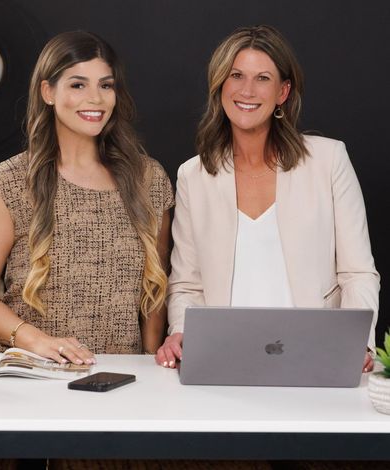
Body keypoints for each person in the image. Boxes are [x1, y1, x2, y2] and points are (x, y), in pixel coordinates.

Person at [156, 24, 379, 372]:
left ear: (283, 91)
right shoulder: (193, 176)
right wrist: (181, 331)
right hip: (225, 359)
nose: (247, 90)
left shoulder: (328, 160)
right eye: (236, 75)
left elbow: (357, 272)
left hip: (318, 357)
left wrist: (357, 341)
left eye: (262, 78)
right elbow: (187, 283)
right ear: (220, 86)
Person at [0, 30, 174, 367]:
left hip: (122, 383)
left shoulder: (148, 180)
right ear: (48, 91)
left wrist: (150, 366)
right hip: (30, 378)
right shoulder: (9, 183)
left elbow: (154, 296)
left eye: (106, 85)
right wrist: (38, 341)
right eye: (78, 85)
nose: (96, 98)